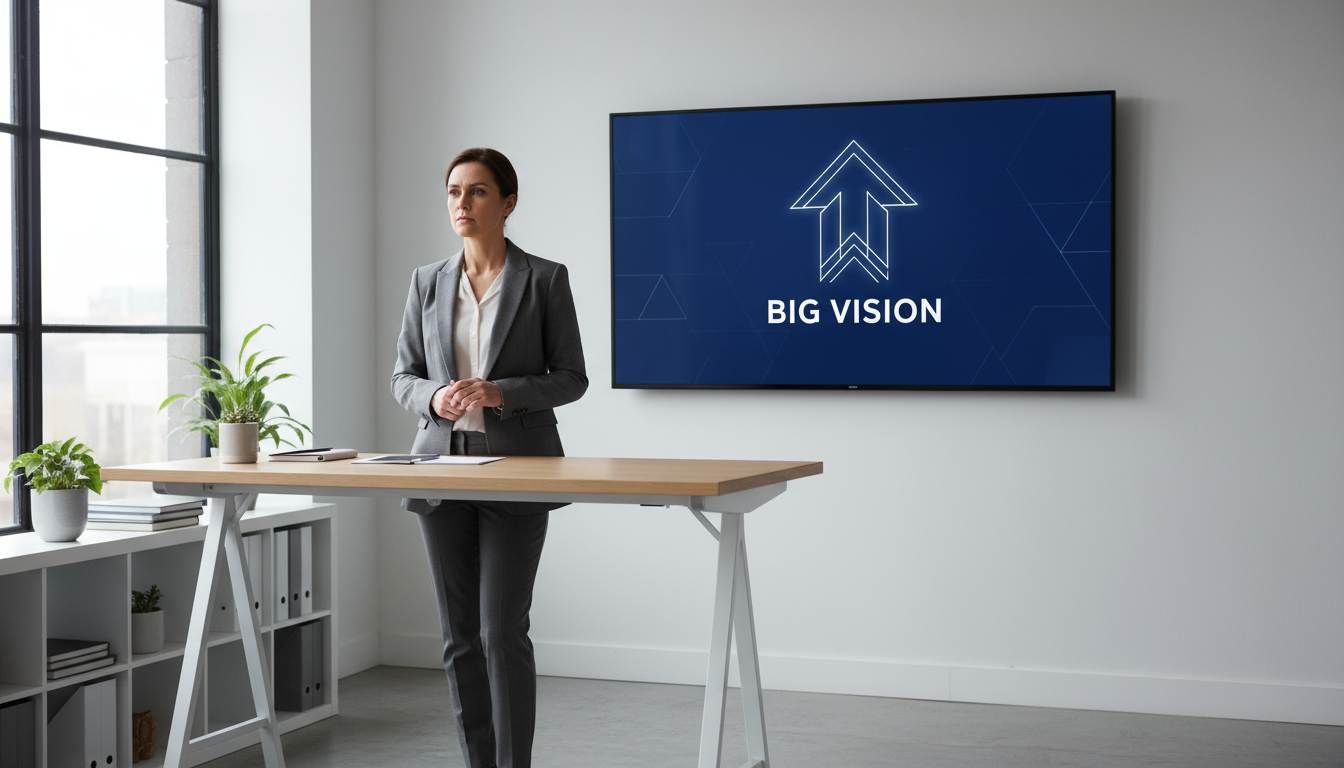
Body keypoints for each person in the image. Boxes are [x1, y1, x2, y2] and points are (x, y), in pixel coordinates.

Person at [390, 147, 587, 768]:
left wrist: (502, 392)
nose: (462, 203)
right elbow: (403, 377)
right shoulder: (427, 281)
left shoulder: (544, 279)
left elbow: (572, 377)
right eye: (454, 191)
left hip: (518, 470)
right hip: (440, 469)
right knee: (459, 637)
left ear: (508, 203)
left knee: (501, 632)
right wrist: (434, 397)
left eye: (477, 191)